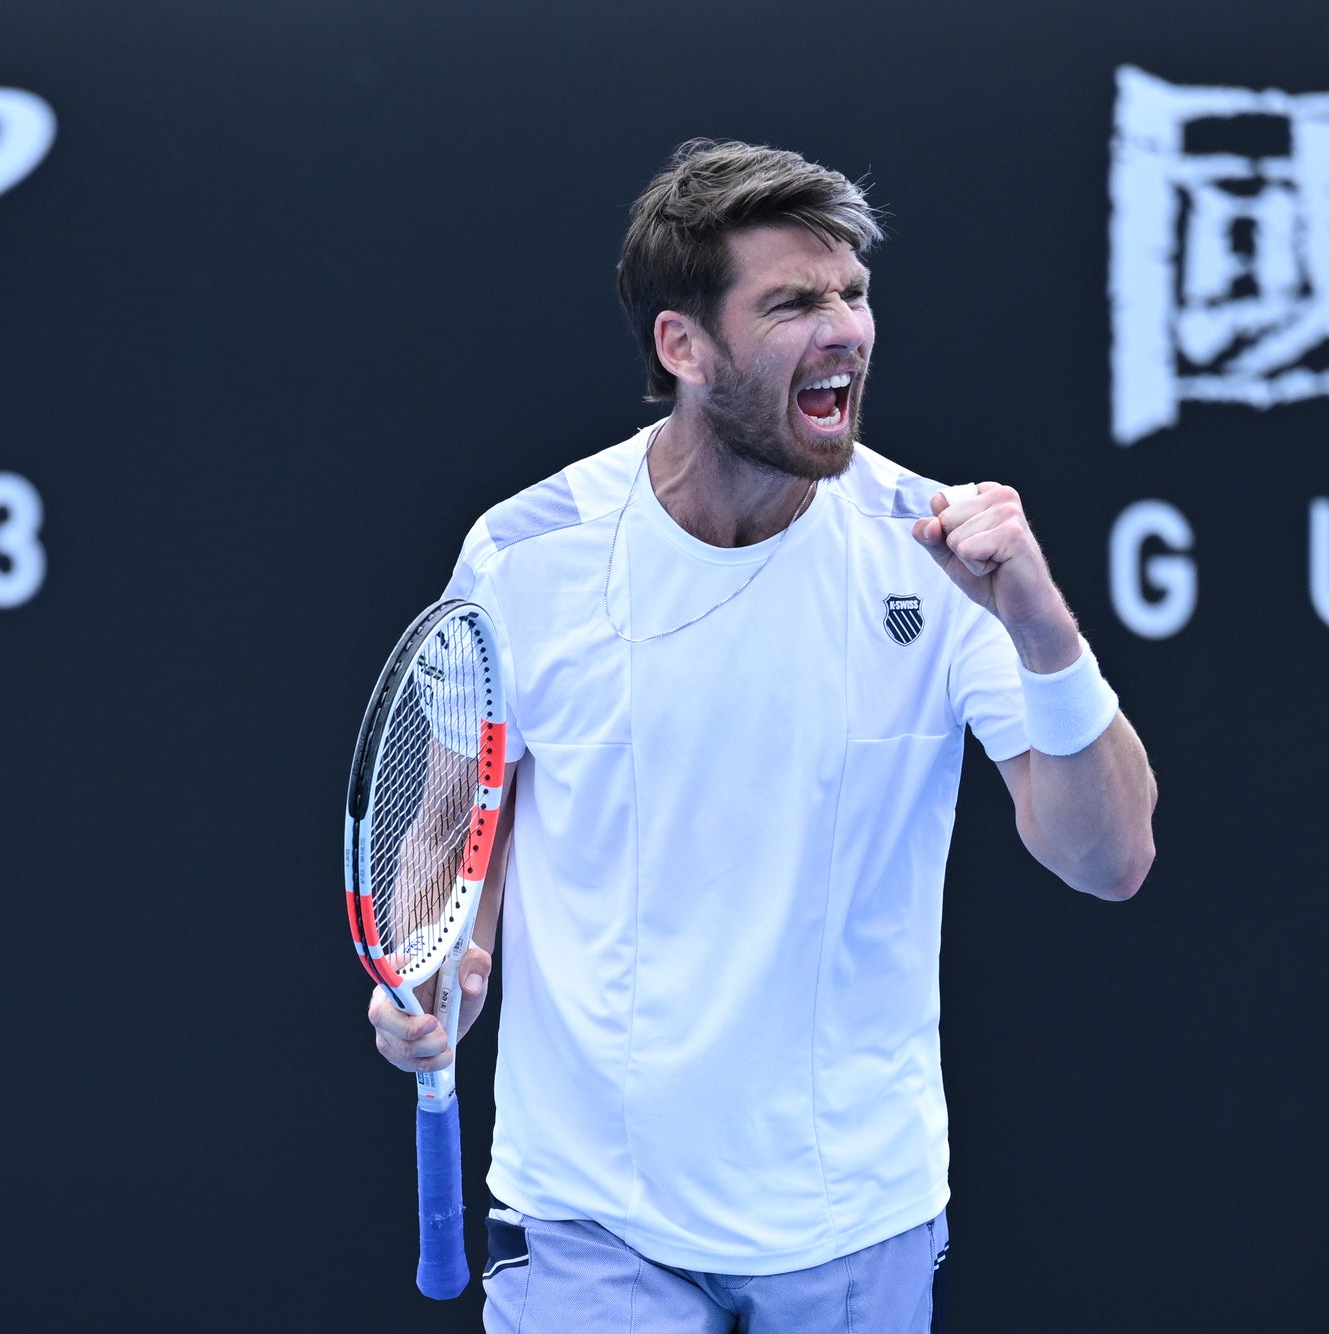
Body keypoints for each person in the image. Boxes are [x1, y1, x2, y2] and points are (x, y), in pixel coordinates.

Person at [368, 138, 1157, 1333]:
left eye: (853, 294)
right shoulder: (524, 555)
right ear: (681, 345)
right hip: (594, 1215)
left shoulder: (935, 555)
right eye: (792, 301)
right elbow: (447, 840)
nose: (844, 328)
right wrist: (435, 978)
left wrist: (1044, 632)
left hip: (854, 1216)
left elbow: (1108, 858)